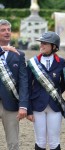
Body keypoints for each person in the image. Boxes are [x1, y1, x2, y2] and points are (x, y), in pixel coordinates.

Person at [27, 31, 65, 150]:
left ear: (54, 47)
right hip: (37, 106)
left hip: (55, 106)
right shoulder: (33, 62)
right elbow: (27, 86)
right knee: (40, 141)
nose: (41, 45)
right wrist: (29, 110)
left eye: (45, 43)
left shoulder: (61, 62)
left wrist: (55, 93)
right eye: (41, 43)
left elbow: (64, 84)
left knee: (54, 141)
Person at [0, 19, 28, 150]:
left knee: (13, 143)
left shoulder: (19, 55)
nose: (7, 32)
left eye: (8, 30)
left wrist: (23, 105)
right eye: (3, 30)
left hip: (10, 104)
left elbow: (23, 81)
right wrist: (2, 49)